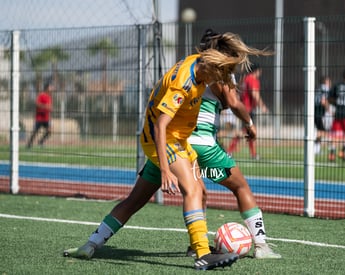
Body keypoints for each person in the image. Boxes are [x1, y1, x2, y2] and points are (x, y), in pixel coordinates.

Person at [63, 31, 269, 271]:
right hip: (165, 141)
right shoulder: (185, 83)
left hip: (179, 141)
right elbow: (161, 125)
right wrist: (164, 169)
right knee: (192, 188)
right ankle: (202, 254)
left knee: (137, 201)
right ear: (212, 66)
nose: (222, 82)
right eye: (221, 75)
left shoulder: (197, 63)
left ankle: (90, 245)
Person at [186, 29, 280, 259]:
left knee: (198, 192)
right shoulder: (217, 69)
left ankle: (196, 246)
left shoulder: (186, 67)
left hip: (180, 145)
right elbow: (232, 102)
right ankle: (261, 246)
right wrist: (249, 122)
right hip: (204, 143)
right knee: (240, 187)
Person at [227, 63, 268, 160]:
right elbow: (255, 94)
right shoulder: (253, 80)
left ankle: (252, 154)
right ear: (257, 71)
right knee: (247, 131)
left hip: (243, 108)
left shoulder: (244, 79)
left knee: (247, 131)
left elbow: (238, 91)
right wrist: (262, 106)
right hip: (248, 109)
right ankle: (230, 151)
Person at [26, 81, 54, 148]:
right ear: (47, 88)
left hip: (46, 118)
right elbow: (37, 104)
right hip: (39, 118)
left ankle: (40, 142)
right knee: (35, 132)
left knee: (49, 132)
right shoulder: (41, 95)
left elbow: (50, 107)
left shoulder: (49, 96)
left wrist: (50, 108)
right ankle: (29, 144)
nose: (52, 88)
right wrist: (45, 106)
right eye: (50, 87)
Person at [314, 75, 334, 154]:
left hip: (314, 111)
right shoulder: (326, 89)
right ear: (326, 82)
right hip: (318, 112)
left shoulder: (318, 88)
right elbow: (323, 101)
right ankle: (329, 145)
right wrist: (329, 110)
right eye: (329, 81)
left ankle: (317, 148)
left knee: (321, 130)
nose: (330, 83)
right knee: (322, 131)